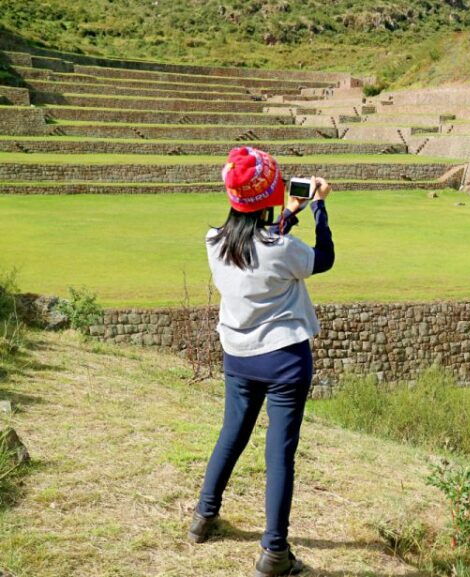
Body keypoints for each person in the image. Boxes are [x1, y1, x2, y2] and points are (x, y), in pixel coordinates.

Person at [187, 146, 334, 576]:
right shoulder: (282, 248)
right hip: (285, 359)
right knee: (279, 454)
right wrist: (319, 208)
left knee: (231, 435)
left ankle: (203, 516)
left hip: (238, 355)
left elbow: (255, 242)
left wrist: (288, 214)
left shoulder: (214, 241)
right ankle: (274, 552)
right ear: (270, 193)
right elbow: (322, 259)